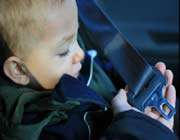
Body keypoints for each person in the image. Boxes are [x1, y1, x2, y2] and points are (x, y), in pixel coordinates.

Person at [0, 0, 177, 140]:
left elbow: (100, 72)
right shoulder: (37, 128)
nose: (80, 53)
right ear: (19, 70)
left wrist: (131, 84)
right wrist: (137, 129)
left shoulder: (73, 66)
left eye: (76, 37)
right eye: (63, 51)